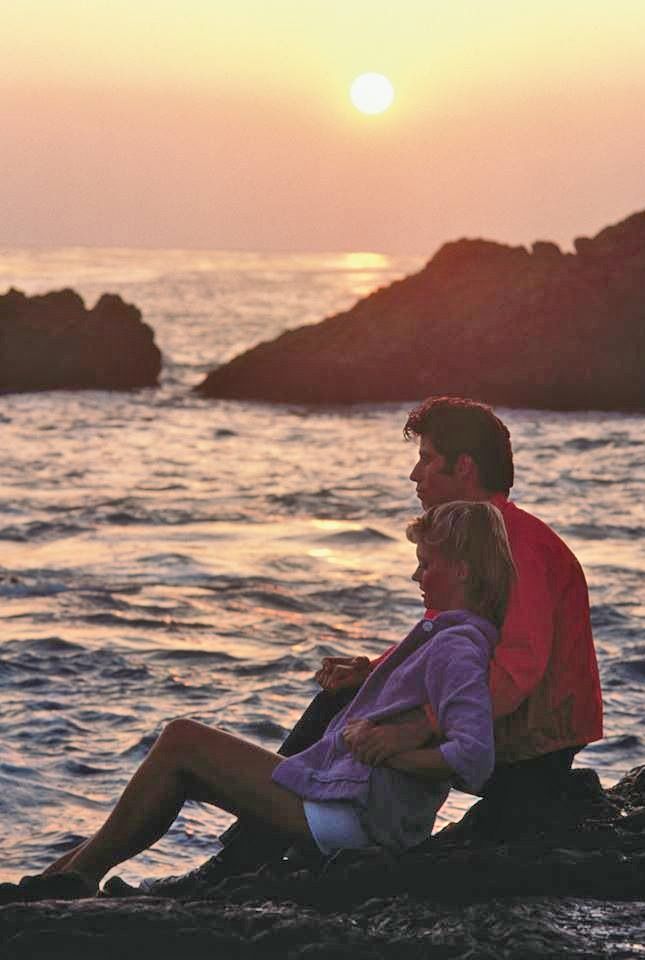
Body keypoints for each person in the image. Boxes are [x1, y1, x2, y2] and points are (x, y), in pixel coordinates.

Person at [177, 395, 602, 893]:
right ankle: (277, 844)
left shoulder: (509, 542)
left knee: (346, 712)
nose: (414, 476)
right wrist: (373, 670)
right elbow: (442, 651)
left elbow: (512, 675)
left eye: (426, 460)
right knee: (348, 698)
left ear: (464, 468)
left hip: (528, 750)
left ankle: (251, 853)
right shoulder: (477, 538)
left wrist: (416, 724)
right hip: (506, 734)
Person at [0, 500, 515, 902]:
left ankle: (74, 877)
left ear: (464, 570)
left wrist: (391, 751)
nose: (416, 577)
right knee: (183, 763)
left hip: (354, 817)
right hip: (348, 803)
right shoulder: (447, 637)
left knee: (181, 740)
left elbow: (475, 759)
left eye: (426, 566)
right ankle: (64, 876)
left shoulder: (456, 646)